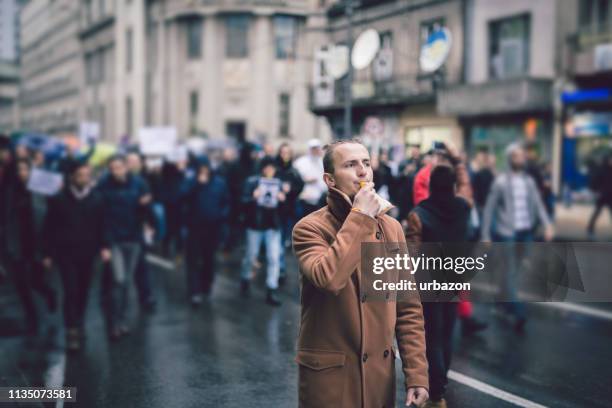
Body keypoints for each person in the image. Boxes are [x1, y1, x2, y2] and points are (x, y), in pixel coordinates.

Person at [292, 139, 429, 408]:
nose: (363, 171)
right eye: (351, 165)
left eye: (366, 163)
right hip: (331, 378)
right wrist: (361, 216)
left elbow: (408, 307)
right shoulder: (309, 229)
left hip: (379, 378)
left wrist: (417, 375)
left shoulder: (392, 228)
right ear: (330, 180)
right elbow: (329, 278)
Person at [405, 165, 473, 408]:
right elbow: (466, 191)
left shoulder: (418, 215)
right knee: (446, 334)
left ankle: (436, 393)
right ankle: (440, 387)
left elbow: (413, 255)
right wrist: (459, 162)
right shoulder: (463, 208)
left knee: (432, 336)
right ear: (453, 185)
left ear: (431, 185)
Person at [481, 143, 554, 332]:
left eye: (522, 156)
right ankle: (518, 312)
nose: (520, 159)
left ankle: (500, 301)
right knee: (511, 272)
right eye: (516, 156)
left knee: (514, 271)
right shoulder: (500, 182)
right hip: (507, 233)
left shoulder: (528, 181)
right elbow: (489, 209)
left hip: (525, 232)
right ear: (509, 159)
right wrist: (486, 234)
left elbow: (538, 204)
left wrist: (547, 224)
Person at [42, 161, 103, 351]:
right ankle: (72, 330)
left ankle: (80, 321)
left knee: (84, 291)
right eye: (81, 175)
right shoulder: (59, 199)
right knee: (70, 291)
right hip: (66, 254)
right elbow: (49, 228)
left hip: (88, 253)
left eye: (87, 175)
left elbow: (102, 226)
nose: (85, 179)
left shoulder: (96, 198)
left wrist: (105, 246)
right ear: (72, 177)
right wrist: (47, 253)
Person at [98, 154, 152, 340]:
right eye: (112, 168)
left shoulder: (138, 183)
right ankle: (113, 323)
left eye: (119, 167)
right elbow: (99, 215)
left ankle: (122, 320)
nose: (116, 171)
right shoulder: (103, 185)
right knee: (118, 280)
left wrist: (146, 206)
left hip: (134, 238)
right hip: (114, 240)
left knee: (127, 282)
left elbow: (146, 210)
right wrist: (104, 244)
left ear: (126, 167)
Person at [2, 158, 56, 337]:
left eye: (25, 169)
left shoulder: (41, 189)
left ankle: (49, 293)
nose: (22, 173)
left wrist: (49, 251)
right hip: (17, 244)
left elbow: (52, 218)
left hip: (37, 244)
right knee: (21, 284)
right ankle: (31, 317)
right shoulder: (10, 191)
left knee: (36, 281)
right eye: (19, 170)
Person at [182, 158, 230, 305]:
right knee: (193, 260)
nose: (204, 171)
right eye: (201, 168)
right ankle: (194, 291)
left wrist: (221, 215)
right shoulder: (191, 181)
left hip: (213, 227)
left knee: (209, 259)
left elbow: (226, 202)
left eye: (206, 168)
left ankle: (206, 286)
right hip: (195, 227)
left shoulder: (219, 183)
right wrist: (197, 185)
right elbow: (182, 198)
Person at [240, 157, 286, 306]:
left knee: (273, 257)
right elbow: (242, 201)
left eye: (272, 168)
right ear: (262, 168)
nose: (269, 170)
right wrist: (253, 197)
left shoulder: (279, 183)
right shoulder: (252, 182)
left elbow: (286, 207)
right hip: (255, 224)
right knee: (251, 255)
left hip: (273, 225)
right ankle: (245, 279)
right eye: (267, 167)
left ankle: (271, 289)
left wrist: (283, 198)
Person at [126, 151, 157, 312]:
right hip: (120, 229)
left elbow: (149, 203)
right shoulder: (115, 181)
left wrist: (150, 224)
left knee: (141, 264)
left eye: (135, 161)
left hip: (138, 228)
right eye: (130, 161)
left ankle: (146, 296)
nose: (133, 164)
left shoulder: (142, 181)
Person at [275, 143, 304, 284]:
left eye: (288, 153)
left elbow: (300, 186)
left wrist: (291, 189)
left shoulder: (293, 171)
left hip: (288, 210)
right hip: (275, 211)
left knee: (283, 241)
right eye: (283, 152)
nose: (285, 155)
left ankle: (279, 267)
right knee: (278, 241)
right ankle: (279, 268)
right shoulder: (275, 170)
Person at [293, 139, 327, 218]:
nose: (315, 151)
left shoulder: (323, 162)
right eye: (313, 149)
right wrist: (304, 180)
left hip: (320, 200)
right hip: (304, 199)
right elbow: (294, 179)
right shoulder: (300, 162)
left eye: (317, 148)